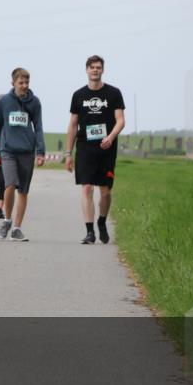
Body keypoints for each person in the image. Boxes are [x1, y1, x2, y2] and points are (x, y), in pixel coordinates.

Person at [64, 55, 125, 244]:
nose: (95, 70)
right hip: (85, 147)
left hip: (106, 147)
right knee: (87, 188)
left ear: (103, 70)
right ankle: (89, 231)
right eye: (92, 67)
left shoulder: (114, 93)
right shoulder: (78, 95)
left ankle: (102, 221)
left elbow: (120, 120)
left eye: (98, 67)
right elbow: (73, 124)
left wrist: (111, 137)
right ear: (86, 70)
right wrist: (68, 153)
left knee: (105, 191)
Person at [0, 68, 45, 242]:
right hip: (8, 150)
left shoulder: (35, 102)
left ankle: (16, 229)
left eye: (26, 82)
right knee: (9, 185)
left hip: (27, 151)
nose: (24, 86)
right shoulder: (4, 102)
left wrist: (40, 151)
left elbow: (38, 127)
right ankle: (7, 221)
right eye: (20, 83)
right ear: (13, 83)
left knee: (23, 190)